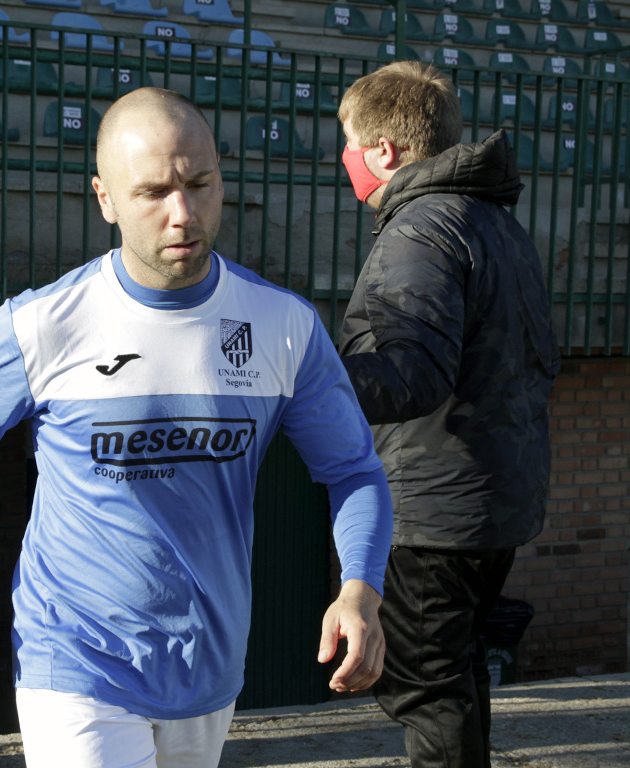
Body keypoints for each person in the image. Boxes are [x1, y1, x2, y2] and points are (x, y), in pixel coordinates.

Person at [0, 87, 394, 768]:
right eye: (153, 193)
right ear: (105, 198)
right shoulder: (42, 324)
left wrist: (360, 588)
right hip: (75, 660)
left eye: (200, 184)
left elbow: (355, 471)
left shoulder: (282, 326)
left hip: (208, 667)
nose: (183, 213)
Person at [335, 61, 560, 768]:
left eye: (349, 144)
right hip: (496, 496)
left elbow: (413, 377)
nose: (345, 159)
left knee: (423, 682)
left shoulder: (420, 229)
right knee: (455, 669)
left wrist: (310, 377)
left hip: (435, 509)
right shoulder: (495, 222)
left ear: (384, 150)